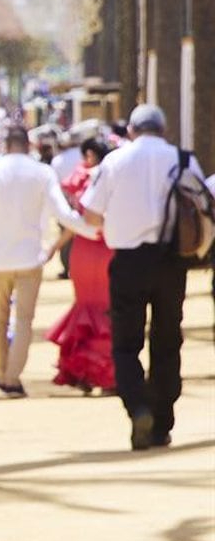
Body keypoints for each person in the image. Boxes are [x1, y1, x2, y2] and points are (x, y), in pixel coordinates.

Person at [80, 104, 204, 449]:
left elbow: (91, 215)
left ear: (132, 130)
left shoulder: (115, 162)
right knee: (167, 339)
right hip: (171, 262)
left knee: (125, 343)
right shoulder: (182, 159)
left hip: (129, 262)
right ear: (163, 130)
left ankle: (138, 408)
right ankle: (162, 420)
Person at [0, 126, 92, 397]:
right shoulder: (42, 172)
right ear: (28, 145)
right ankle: (12, 377)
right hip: (30, 258)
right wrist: (93, 230)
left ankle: (2, 372)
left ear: (5, 144)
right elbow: (62, 213)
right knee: (24, 320)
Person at [49, 138, 115, 393]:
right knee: (107, 312)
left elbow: (74, 221)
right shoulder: (113, 177)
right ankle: (107, 373)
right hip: (109, 249)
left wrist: (54, 247)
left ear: (89, 155)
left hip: (83, 251)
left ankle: (81, 371)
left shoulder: (84, 177)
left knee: (85, 309)